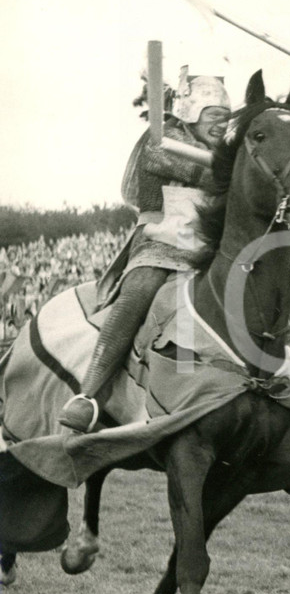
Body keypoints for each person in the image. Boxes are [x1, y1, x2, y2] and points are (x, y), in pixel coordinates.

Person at [59, 68, 231, 432]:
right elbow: (171, 164)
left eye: (225, 117)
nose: (221, 124)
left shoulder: (225, 153)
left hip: (207, 252)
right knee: (139, 291)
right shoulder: (164, 138)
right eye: (214, 115)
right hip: (162, 244)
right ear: (191, 112)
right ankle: (88, 394)